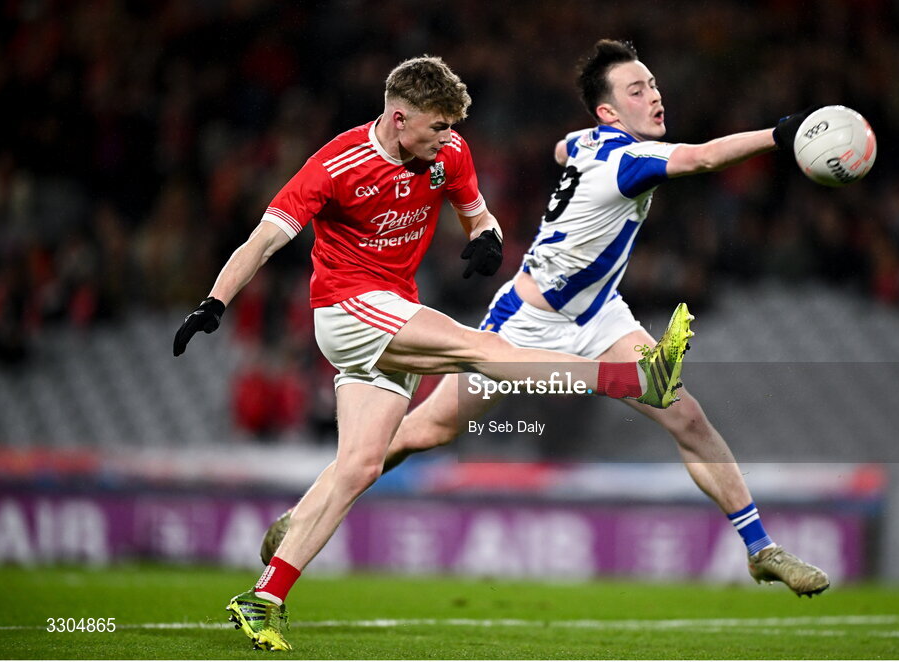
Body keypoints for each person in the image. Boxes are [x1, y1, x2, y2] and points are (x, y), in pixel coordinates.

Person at [259, 40, 831, 599]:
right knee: (427, 430)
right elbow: (704, 156)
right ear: (609, 110)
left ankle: (761, 550)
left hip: (601, 313)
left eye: (653, 84)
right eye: (638, 89)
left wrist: (570, 152)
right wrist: (783, 133)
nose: (655, 96)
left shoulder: (588, 143)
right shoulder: (628, 160)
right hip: (526, 321)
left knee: (687, 417)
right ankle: (307, 511)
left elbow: (562, 148)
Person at [173, 55, 694, 652]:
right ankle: (632, 378)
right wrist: (214, 303)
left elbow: (477, 213)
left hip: (393, 316)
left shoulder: (448, 151)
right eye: (437, 127)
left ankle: (263, 597)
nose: (448, 139)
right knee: (484, 350)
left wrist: (487, 239)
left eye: (452, 127)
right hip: (346, 309)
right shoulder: (335, 165)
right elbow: (262, 238)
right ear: (399, 120)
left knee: (362, 467)